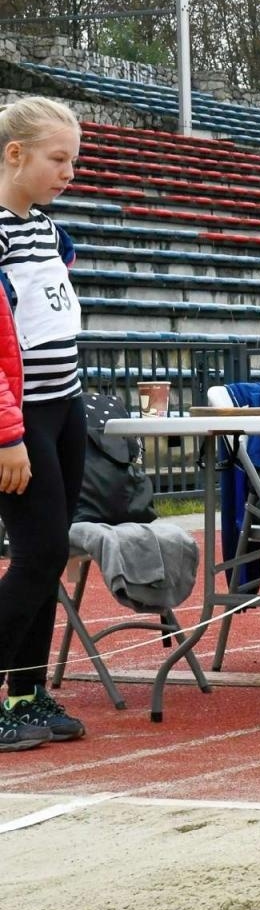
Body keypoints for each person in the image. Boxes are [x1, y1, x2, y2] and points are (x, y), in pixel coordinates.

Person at [0, 97, 89, 749]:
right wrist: (6, 433)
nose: (69, 172)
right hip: (20, 417)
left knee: (51, 551)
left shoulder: (47, 230)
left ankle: (27, 693)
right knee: (40, 551)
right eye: (58, 159)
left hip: (65, 408)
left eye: (73, 160)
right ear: (15, 154)